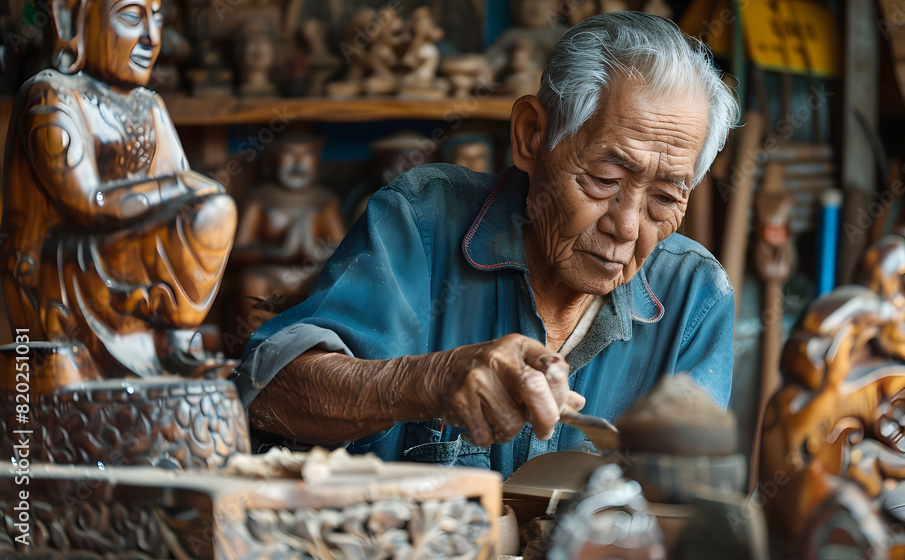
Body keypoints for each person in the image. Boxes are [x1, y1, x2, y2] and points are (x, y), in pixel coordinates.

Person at [233, 12, 740, 478]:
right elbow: (268, 392)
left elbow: (693, 501)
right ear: (530, 136)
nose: (627, 227)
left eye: (664, 197)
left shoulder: (694, 297)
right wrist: (429, 382)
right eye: (605, 178)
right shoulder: (423, 220)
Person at [3, 0, 236, 378]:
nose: (152, 37)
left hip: (134, 255)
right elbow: (86, 203)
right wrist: (179, 184)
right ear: (71, 20)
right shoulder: (50, 96)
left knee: (215, 213)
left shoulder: (150, 106)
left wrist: (187, 192)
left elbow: (186, 208)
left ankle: (174, 338)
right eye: (131, 16)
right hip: (66, 269)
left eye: (157, 19)